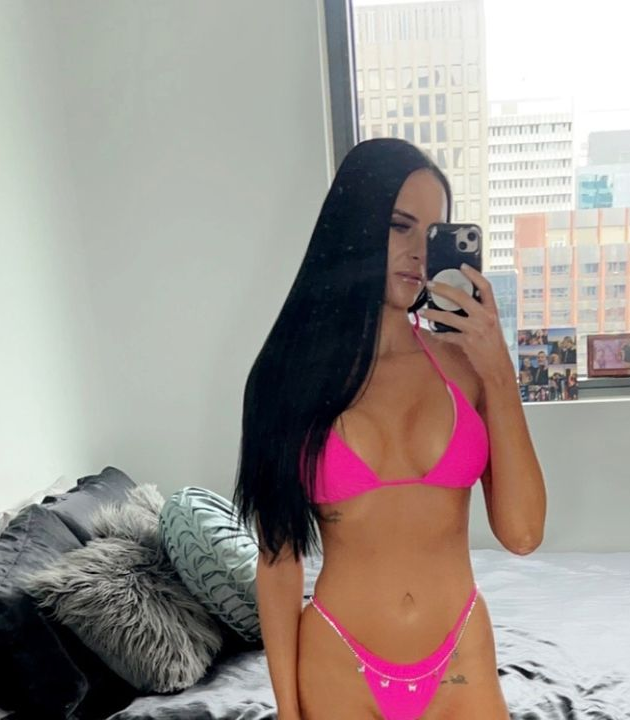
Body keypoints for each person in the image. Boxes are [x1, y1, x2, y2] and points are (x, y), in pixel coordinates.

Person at [233, 139, 546, 720]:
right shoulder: (285, 378)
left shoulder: (466, 367)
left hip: (461, 660)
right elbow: (278, 562)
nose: (418, 253)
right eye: (400, 226)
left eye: (432, 233)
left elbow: (523, 534)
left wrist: (499, 370)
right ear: (352, 226)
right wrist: (287, 713)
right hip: (337, 666)